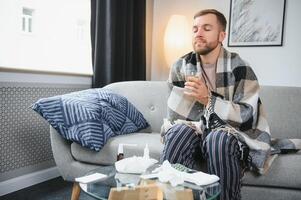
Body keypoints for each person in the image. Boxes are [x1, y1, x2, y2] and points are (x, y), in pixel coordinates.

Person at [160, 9, 272, 200]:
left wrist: (208, 99)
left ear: (222, 35)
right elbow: (175, 116)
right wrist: (203, 118)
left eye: (206, 28)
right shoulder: (180, 66)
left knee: (218, 140)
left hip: (231, 132)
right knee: (178, 134)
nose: (199, 33)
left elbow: (246, 115)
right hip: (193, 128)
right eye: (195, 28)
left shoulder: (241, 68)